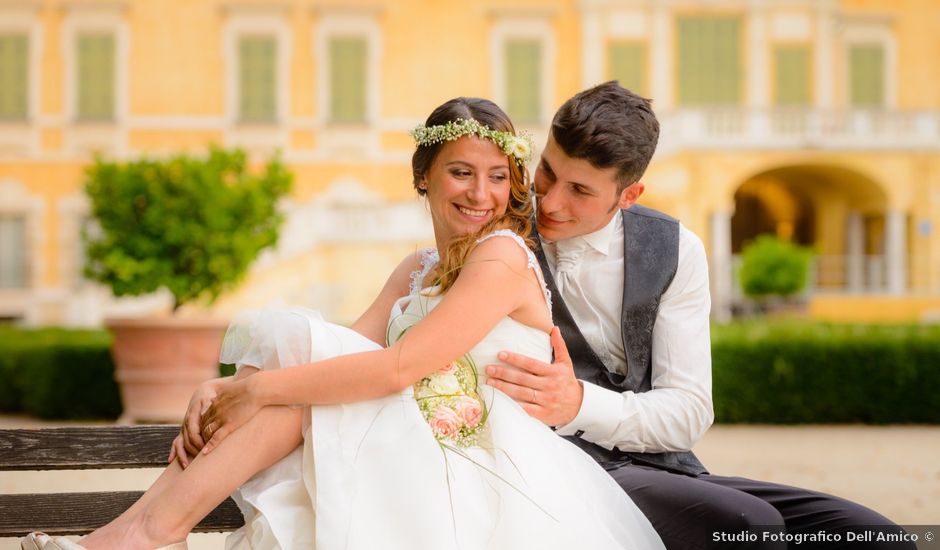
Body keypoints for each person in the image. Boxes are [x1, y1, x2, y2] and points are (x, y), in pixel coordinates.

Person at [23, 97, 664, 550]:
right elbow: (346, 350)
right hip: (407, 433)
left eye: (499, 177)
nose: (481, 194)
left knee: (294, 388)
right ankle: (138, 536)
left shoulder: (501, 258)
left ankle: (142, 535)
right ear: (424, 178)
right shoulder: (415, 269)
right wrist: (224, 388)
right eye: (461, 173)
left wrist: (256, 388)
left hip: (473, 456)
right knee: (297, 371)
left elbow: (398, 367)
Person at [484, 81, 914, 549]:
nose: (548, 202)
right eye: (546, 171)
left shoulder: (676, 250)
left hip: (664, 469)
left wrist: (578, 403)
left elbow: (687, 412)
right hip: (563, 467)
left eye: (580, 190)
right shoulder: (497, 236)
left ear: (629, 196)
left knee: (878, 537)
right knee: (749, 526)